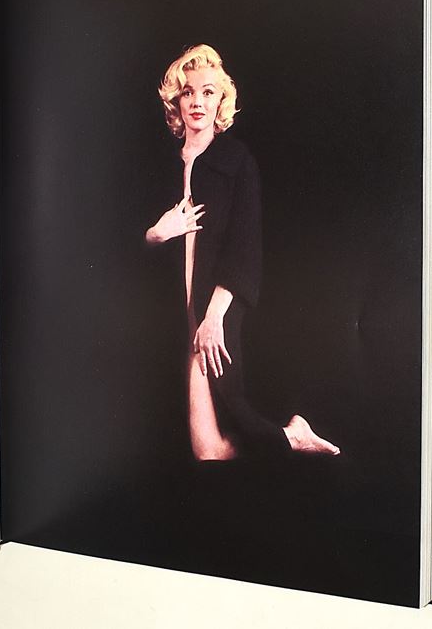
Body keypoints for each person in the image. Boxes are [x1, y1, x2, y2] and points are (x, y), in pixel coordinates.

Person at [145, 44, 340, 461]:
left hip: (212, 314)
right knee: (199, 445)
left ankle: (291, 439)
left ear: (221, 101)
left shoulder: (237, 162)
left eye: (208, 92)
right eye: (188, 92)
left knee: (211, 444)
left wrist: (213, 318)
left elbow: (244, 250)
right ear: (177, 101)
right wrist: (158, 234)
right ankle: (292, 437)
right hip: (165, 321)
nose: (198, 101)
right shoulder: (160, 165)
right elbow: (124, 244)